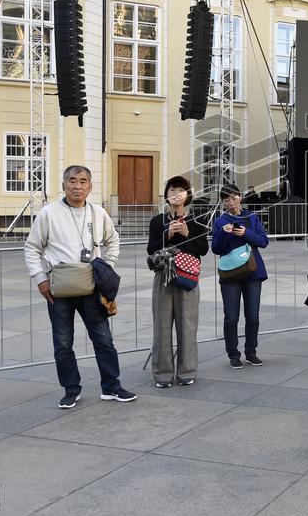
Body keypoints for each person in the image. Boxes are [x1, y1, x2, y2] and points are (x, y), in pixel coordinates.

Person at [24, 165, 136, 408]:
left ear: (90, 186)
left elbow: (112, 239)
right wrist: (40, 279)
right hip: (60, 287)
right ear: (64, 185)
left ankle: (111, 386)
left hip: (91, 285)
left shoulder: (98, 213)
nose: (77, 186)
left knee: (103, 339)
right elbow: (32, 248)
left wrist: (107, 265)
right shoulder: (49, 213)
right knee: (63, 343)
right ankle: (71, 388)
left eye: (83, 181)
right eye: (72, 181)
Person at [147, 176, 209, 387]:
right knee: (162, 327)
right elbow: (151, 249)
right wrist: (168, 234)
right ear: (166, 195)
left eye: (181, 190)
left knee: (188, 326)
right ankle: (162, 374)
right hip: (163, 278)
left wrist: (187, 233)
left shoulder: (197, 220)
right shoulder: (158, 221)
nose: (176, 194)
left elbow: (203, 249)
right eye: (172, 190)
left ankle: (187, 371)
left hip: (187, 278)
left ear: (188, 195)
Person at [211, 184, 270, 368]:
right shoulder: (221, 221)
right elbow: (216, 248)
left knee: (253, 315)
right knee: (231, 316)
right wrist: (223, 233)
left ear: (240, 197)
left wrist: (246, 233)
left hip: (253, 270)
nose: (230, 202)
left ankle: (251, 352)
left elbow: (263, 241)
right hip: (231, 272)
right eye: (226, 199)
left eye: (233, 197)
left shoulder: (251, 217)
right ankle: (233, 354)